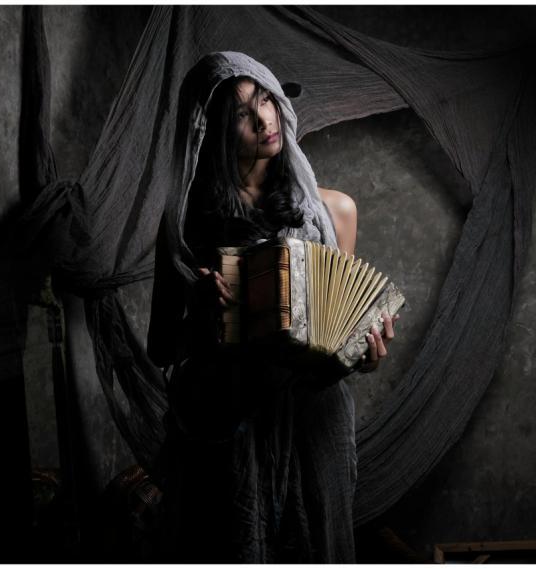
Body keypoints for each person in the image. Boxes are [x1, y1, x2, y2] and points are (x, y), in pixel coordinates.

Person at [147, 52, 398, 562]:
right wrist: (201, 319)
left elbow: (337, 333)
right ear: (212, 131)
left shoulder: (335, 211)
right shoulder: (186, 230)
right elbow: (160, 348)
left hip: (314, 430)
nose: (264, 120)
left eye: (266, 100)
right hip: (227, 431)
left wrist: (364, 354)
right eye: (242, 114)